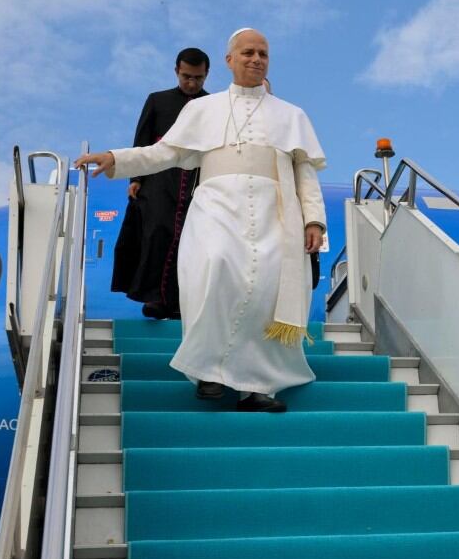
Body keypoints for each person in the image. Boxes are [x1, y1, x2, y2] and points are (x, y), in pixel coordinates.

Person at [77, 28, 326, 413]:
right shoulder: (201, 110)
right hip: (217, 207)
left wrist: (315, 221)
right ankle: (210, 372)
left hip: (275, 211)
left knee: (265, 290)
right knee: (215, 269)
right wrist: (117, 159)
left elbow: (306, 174)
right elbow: (165, 153)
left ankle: (257, 386)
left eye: (262, 53)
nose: (256, 59)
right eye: (247, 52)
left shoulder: (291, 115)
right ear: (229, 59)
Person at [111, 48, 210, 319]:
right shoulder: (157, 100)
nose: (191, 83)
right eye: (187, 77)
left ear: (206, 75)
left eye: (198, 78)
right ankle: (156, 299)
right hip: (158, 177)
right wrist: (135, 178)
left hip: (196, 179)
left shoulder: (213, 105)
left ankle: (181, 303)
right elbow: (142, 140)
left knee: (190, 239)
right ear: (176, 71)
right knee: (156, 234)